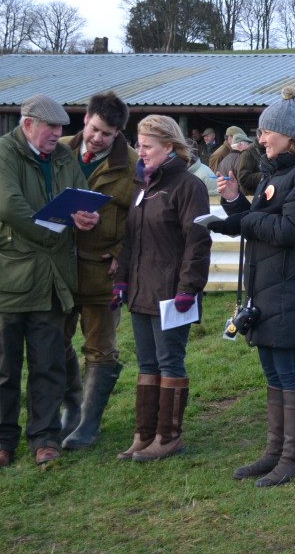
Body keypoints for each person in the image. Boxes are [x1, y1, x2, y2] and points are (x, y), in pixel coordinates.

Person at [210, 86, 295, 487]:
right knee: (272, 370)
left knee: (289, 371)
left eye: (266, 133)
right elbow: (260, 221)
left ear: (288, 135)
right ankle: (274, 452)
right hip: (267, 287)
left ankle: (293, 458)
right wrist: (233, 205)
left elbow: (292, 230)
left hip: (292, 287)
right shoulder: (277, 172)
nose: (260, 139)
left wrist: (244, 220)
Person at [0, 94, 100, 469]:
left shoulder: (63, 157)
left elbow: (79, 196)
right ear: (28, 124)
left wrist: (84, 217)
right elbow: (8, 207)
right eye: (51, 127)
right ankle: (1, 442)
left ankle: (45, 438)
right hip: (9, 282)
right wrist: (54, 233)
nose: (58, 134)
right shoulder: (0, 155)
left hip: (51, 282)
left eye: (61, 127)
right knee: (5, 368)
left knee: (49, 365)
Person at [114, 115, 212, 462]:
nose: (140, 152)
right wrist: (121, 279)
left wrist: (189, 287)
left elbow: (197, 242)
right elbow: (130, 239)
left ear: (169, 146)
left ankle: (168, 436)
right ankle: (145, 433)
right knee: (146, 361)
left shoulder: (188, 186)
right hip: (141, 292)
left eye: (147, 146)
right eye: (138, 145)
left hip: (172, 294)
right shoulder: (143, 186)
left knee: (170, 360)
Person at [58, 91, 139, 450]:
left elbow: (141, 219)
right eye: (94, 128)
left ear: (119, 132)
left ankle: (89, 424)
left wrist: (124, 253)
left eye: (107, 133)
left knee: (100, 348)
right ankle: (70, 410)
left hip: (101, 272)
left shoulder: (133, 165)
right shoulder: (57, 150)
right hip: (56, 269)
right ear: (85, 118)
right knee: (54, 343)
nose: (97, 138)